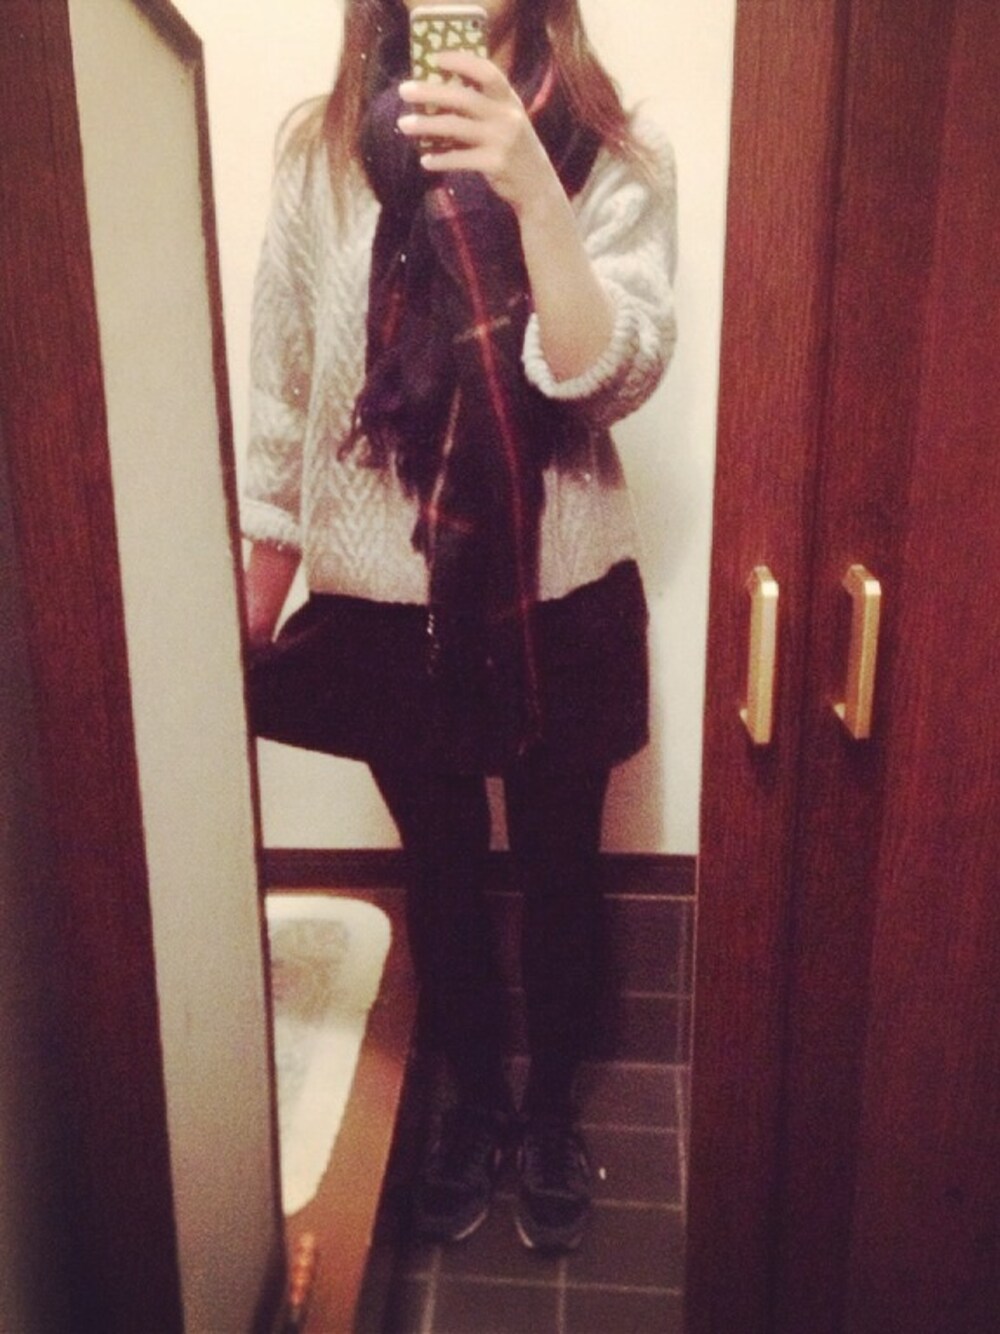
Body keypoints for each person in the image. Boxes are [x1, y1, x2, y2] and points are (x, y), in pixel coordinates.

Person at [242, 0, 676, 1254]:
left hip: (556, 587)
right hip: (384, 596)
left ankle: (548, 1113)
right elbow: (283, 390)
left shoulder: (612, 152)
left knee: (558, 863)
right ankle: (476, 1100)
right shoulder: (320, 152)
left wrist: (535, 192)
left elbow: (609, 375)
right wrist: (251, 607)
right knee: (437, 861)